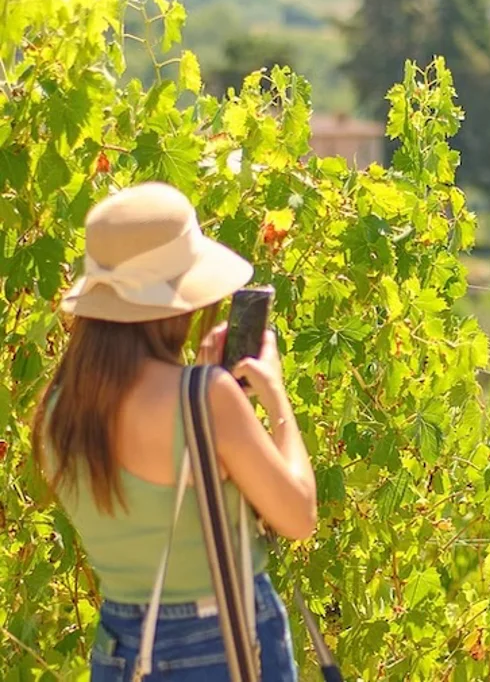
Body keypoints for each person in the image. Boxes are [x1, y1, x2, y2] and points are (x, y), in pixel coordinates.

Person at [31, 182, 317, 680]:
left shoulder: (57, 409)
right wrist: (275, 398)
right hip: (222, 640)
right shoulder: (205, 400)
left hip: (120, 647)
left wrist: (207, 391)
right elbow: (298, 516)